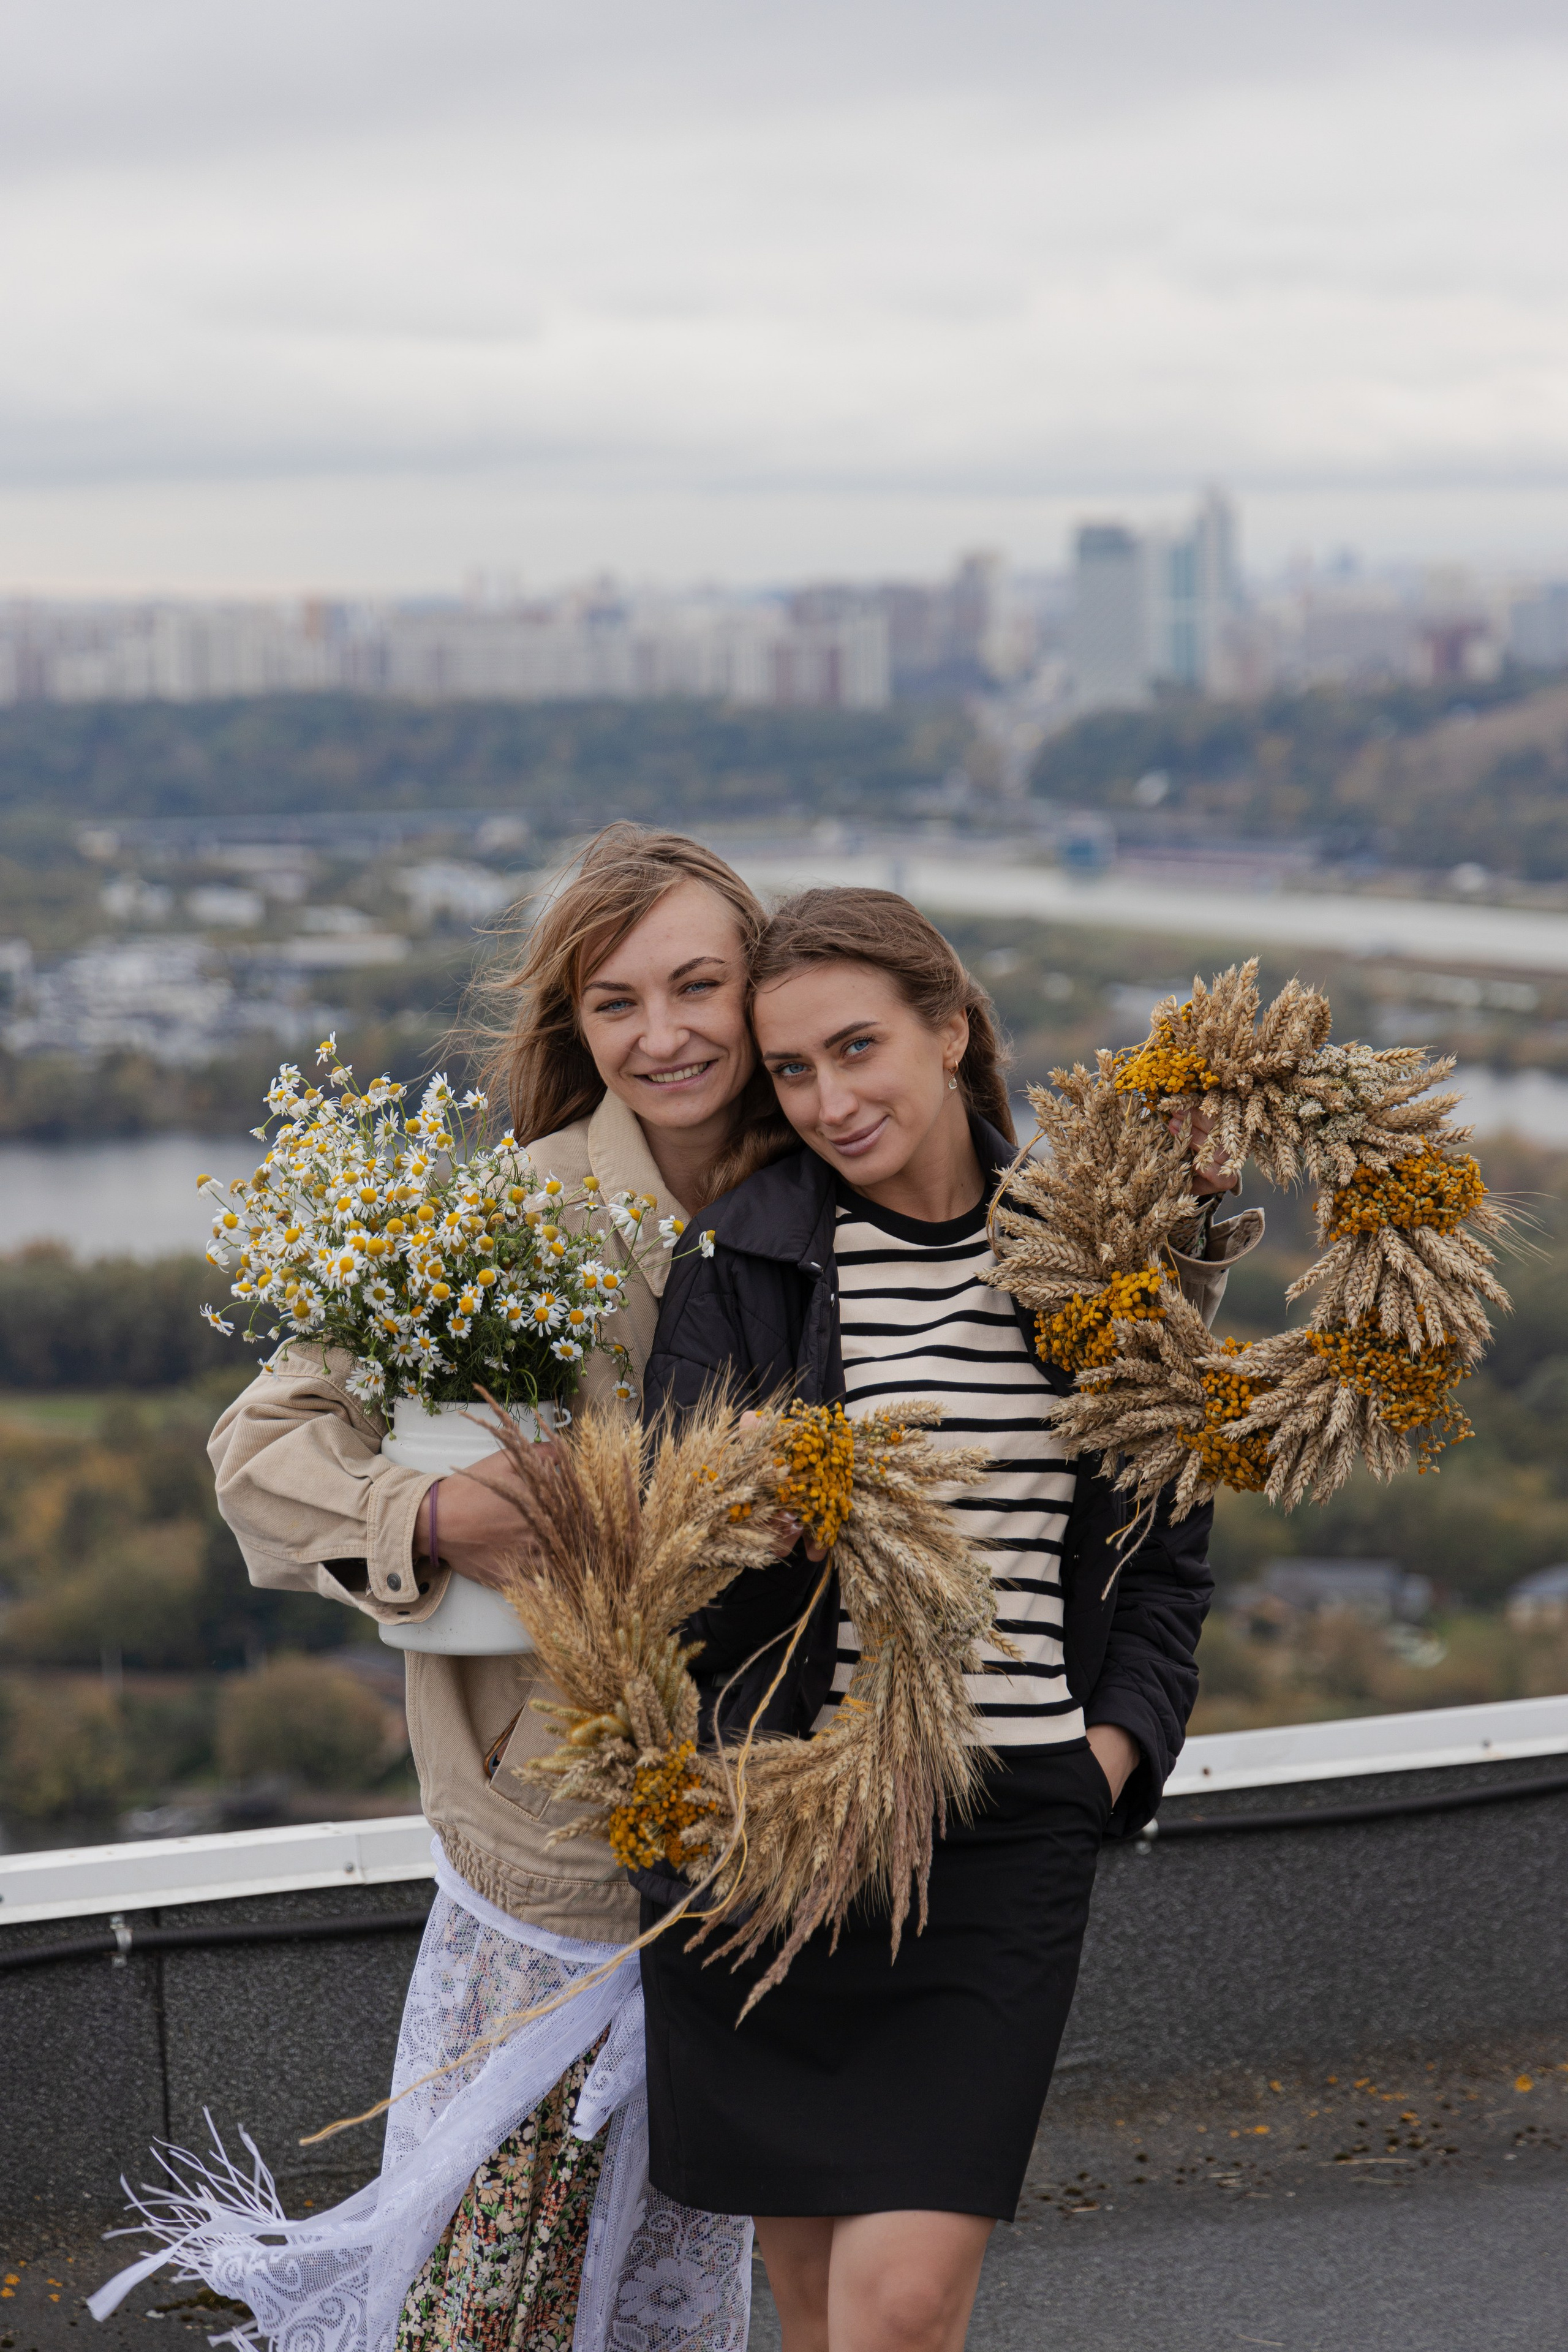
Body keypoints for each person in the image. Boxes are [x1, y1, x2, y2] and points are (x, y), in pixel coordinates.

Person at [187, 827, 792, 2351]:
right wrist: (433, 1510)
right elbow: (259, 1450)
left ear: (760, 988)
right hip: (550, 1869)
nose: (662, 1036)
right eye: (613, 1003)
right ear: (571, 1029)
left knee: (679, 2291)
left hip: (776, 1837)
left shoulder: (838, 1194)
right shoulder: (500, 1219)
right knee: (487, 2300)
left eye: (698, 985)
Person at [636, 888, 1261, 2352]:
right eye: (791, 1070)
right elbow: (664, 1576)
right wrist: (735, 1532)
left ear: (950, 1028)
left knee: (901, 2310)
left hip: (1000, 1839)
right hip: (776, 1833)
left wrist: (1106, 1757)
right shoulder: (741, 1266)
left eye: (856, 1049)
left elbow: (1165, 1559)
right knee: (811, 2311)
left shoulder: (1093, 1261)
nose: (829, 1099)